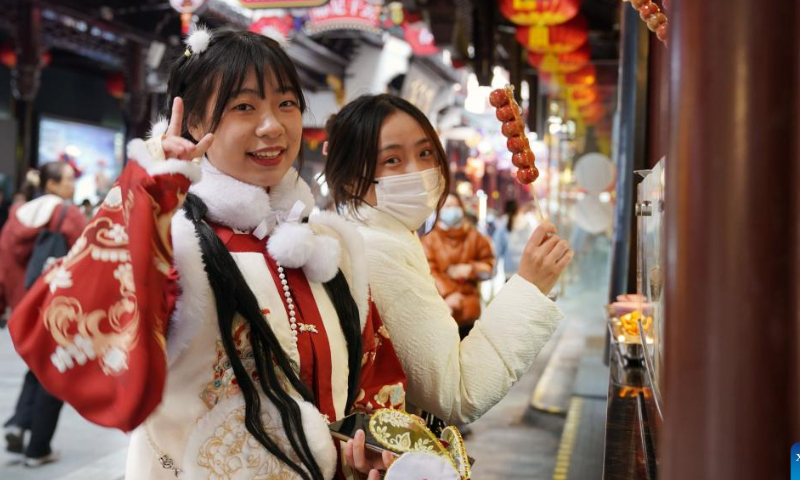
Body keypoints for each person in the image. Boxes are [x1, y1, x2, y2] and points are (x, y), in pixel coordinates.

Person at [9, 29, 403, 480]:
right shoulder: (175, 246)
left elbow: (373, 382)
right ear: (194, 123)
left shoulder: (335, 248)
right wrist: (147, 191)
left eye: (286, 103)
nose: (272, 125)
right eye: (244, 107)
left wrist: (369, 452)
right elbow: (64, 332)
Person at [324, 94, 573, 425]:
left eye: (426, 153)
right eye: (393, 160)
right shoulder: (378, 252)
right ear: (352, 178)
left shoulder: (386, 235)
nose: (419, 170)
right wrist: (529, 286)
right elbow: (458, 394)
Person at [1, 161, 87, 466]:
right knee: (55, 371)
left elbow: (4, 265)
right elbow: (87, 259)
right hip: (55, 308)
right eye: (67, 180)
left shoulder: (15, 219)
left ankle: (17, 422)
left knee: (37, 367)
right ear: (51, 185)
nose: (72, 185)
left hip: (22, 309)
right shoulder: (68, 214)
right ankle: (38, 448)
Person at [420, 193, 494, 338]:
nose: (452, 209)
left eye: (455, 205)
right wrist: (449, 294)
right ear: (439, 210)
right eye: (447, 206)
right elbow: (429, 272)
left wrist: (471, 270)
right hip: (443, 308)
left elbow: (489, 267)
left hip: (471, 312)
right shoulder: (429, 240)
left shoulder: (475, 237)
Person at [493, 199, 537, 281]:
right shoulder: (527, 224)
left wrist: (494, 270)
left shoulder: (503, 226)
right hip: (524, 269)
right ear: (518, 209)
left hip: (509, 270)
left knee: (511, 293)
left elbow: (497, 250)